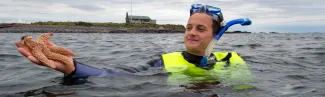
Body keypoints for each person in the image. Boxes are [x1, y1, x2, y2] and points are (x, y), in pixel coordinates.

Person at [14, 4, 252, 85]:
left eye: (200, 29)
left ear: (216, 35)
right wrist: (72, 67)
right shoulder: (165, 60)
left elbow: (247, 91)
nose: (191, 32)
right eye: (188, 27)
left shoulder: (232, 61)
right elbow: (118, 75)